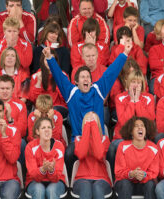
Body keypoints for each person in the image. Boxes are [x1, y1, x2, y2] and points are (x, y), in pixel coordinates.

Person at [43, 40, 132, 176]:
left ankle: (112, 177)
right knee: (68, 153)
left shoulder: (98, 90)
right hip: (78, 140)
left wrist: (124, 53)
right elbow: (59, 76)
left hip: (98, 139)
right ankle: (69, 183)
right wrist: (49, 58)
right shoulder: (71, 93)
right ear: (76, 82)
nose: (86, 79)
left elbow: (111, 72)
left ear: (91, 81)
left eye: (88, 77)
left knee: (113, 150)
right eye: (82, 77)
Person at [114, 116, 158, 199]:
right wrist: (131, 174)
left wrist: (144, 174)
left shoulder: (153, 148)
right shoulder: (122, 146)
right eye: (136, 126)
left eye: (142, 125)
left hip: (143, 183)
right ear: (131, 131)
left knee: (150, 184)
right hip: (124, 183)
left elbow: (154, 172)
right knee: (125, 184)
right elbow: (119, 172)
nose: (140, 127)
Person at [25, 117, 66, 199]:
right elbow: (33, 175)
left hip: (56, 181)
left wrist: (51, 170)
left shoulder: (59, 146)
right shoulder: (30, 147)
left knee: (51, 190)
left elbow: (56, 177)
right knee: (39, 189)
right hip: (34, 181)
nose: (47, 130)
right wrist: (43, 169)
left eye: (49, 127)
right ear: (37, 131)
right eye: (43, 128)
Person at [73, 112, 111, 198]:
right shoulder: (78, 139)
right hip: (81, 178)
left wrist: (93, 127)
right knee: (86, 187)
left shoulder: (105, 139)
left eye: (93, 120)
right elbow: (81, 154)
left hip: (102, 178)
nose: (91, 122)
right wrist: (87, 129)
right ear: (84, 123)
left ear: (97, 123)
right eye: (88, 120)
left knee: (97, 187)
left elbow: (99, 154)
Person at [0, 75, 27, 139]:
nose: (5, 91)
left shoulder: (20, 104)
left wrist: (10, 119)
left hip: (12, 138)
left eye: (8, 88)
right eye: (2, 88)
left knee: (22, 142)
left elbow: (22, 132)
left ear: (13, 89)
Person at [28, 49, 68, 120]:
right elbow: (33, 99)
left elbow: (66, 97)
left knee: (53, 112)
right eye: (47, 60)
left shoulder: (62, 75)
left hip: (58, 107)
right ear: (42, 61)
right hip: (41, 108)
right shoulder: (36, 76)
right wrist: (38, 82)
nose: (49, 62)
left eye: (52, 59)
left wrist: (57, 79)